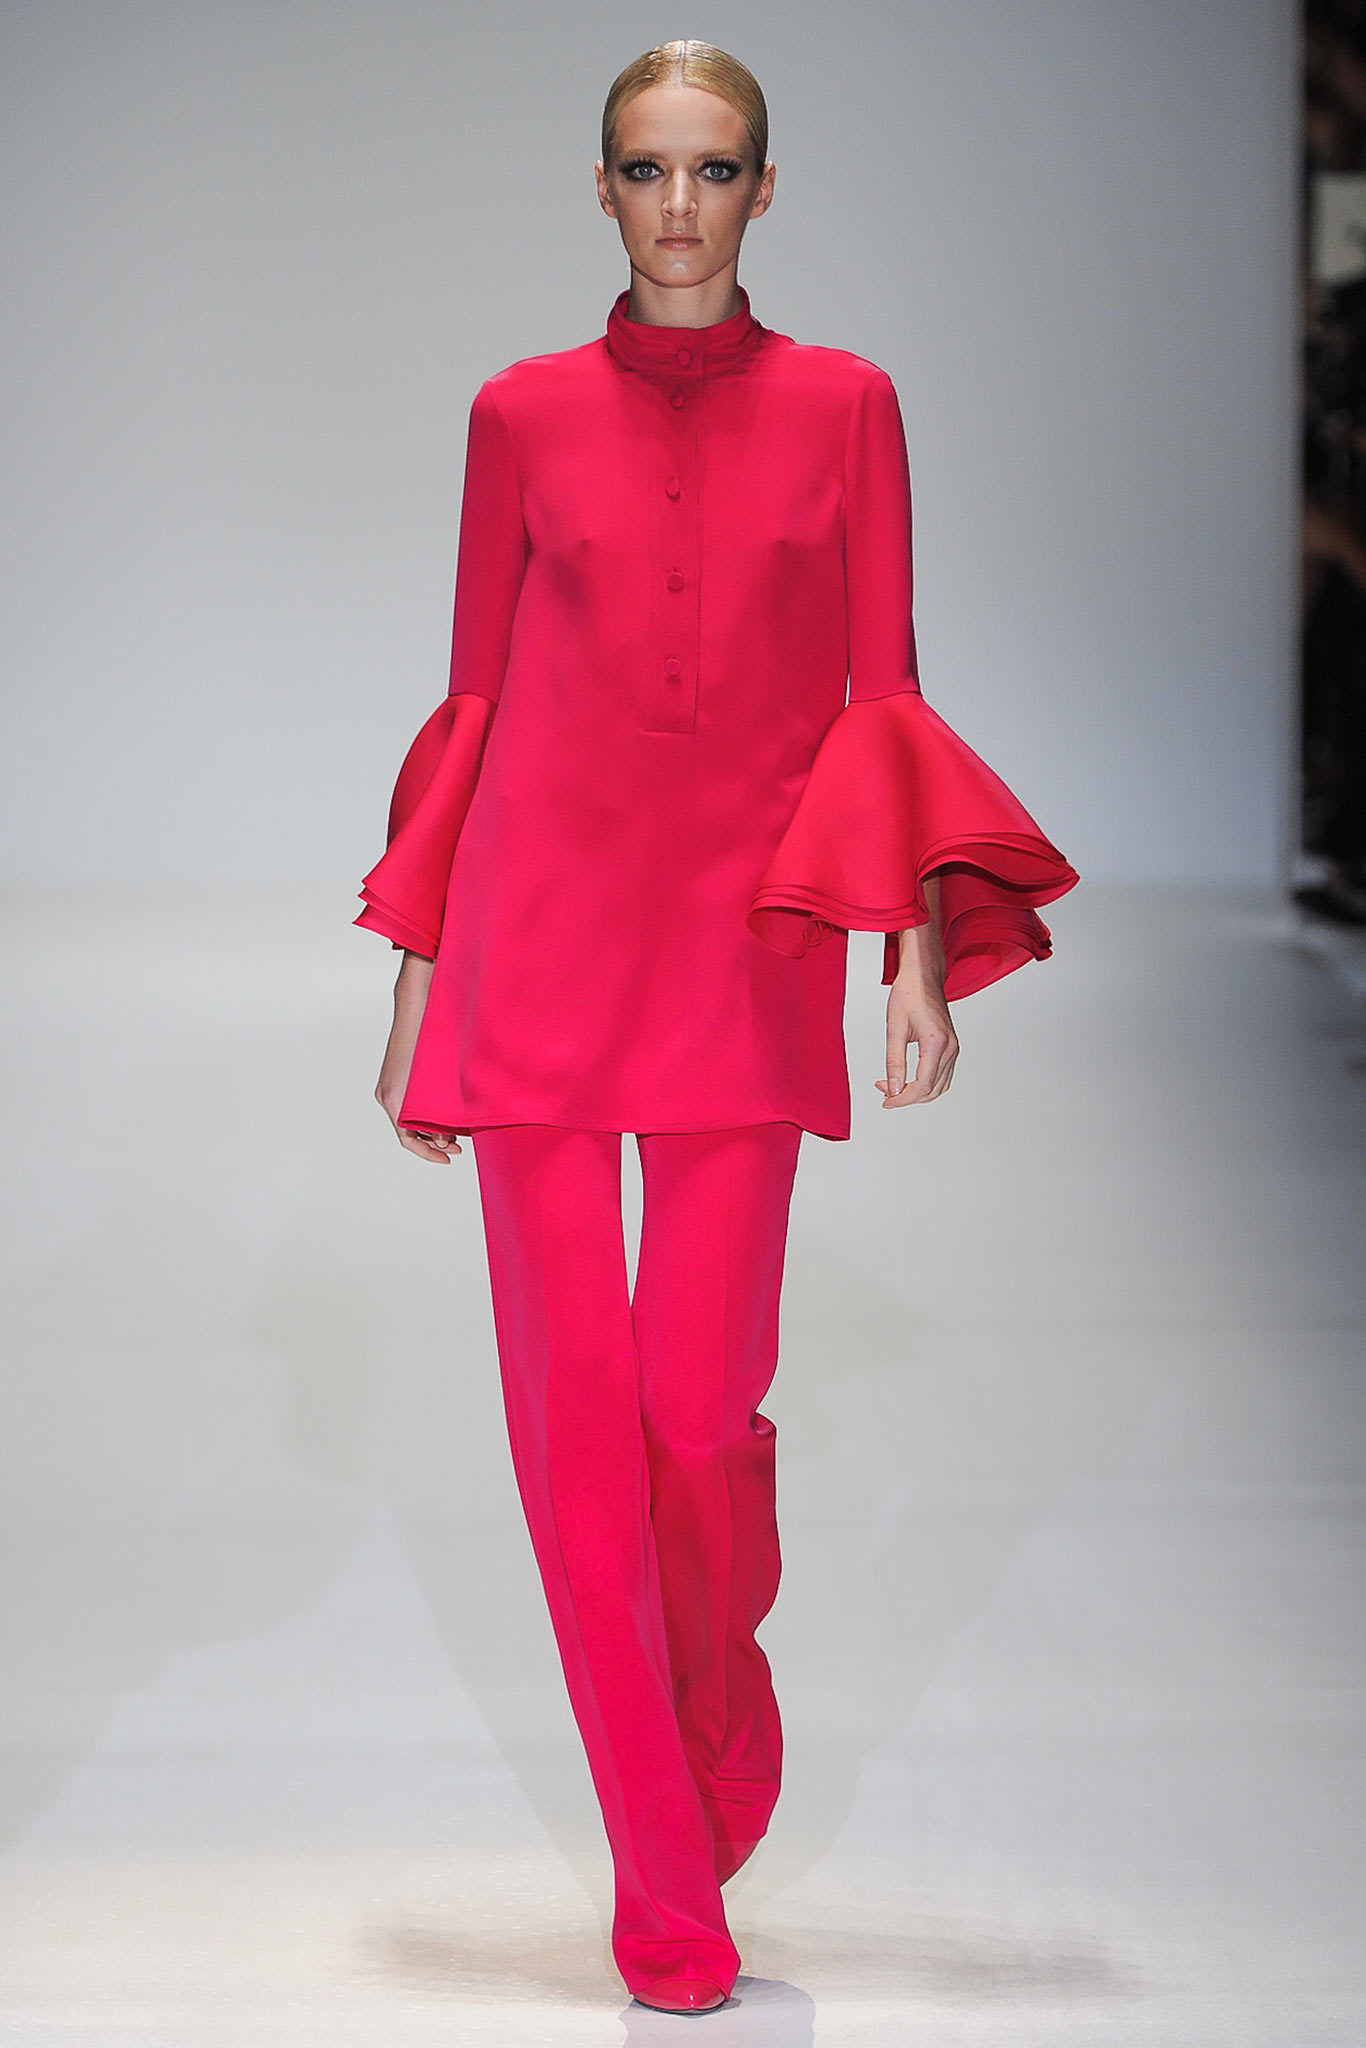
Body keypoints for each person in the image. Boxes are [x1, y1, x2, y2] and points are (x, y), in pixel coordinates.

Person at [353, 39, 1079, 2017]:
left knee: (695, 1411)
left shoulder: (850, 407)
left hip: (747, 944)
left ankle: (719, 1692)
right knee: (570, 1437)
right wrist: (418, 980)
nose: (678, 206)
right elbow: (474, 697)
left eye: (714, 169)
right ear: (598, 188)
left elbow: (880, 690)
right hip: (533, 947)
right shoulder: (515, 412)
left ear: (766, 188)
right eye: (644, 169)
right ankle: (662, 1885)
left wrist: (905, 952)